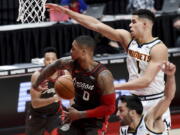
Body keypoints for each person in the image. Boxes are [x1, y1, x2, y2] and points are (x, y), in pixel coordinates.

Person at [45, 4, 170, 131]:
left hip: (155, 103)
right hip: (133, 102)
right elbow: (95, 25)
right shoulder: (127, 39)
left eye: (133, 22)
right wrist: (67, 12)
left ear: (145, 24)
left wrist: (112, 87)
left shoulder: (158, 48)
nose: (130, 25)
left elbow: (146, 81)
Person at [32, 35, 116, 135]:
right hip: (76, 115)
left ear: (83, 52)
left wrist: (80, 115)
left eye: (73, 48)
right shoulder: (71, 64)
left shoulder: (103, 75)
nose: (70, 51)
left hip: (95, 121)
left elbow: (110, 108)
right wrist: (37, 84)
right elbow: (53, 67)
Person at [117, 61, 176, 135]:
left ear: (132, 112)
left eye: (121, 110)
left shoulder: (150, 120)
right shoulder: (124, 129)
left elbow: (168, 97)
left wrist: (170, 76)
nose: (117, 114)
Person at [26, 47, 70, 135]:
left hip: (55, 114)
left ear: (57, 60)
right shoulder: (37, 76)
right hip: (37, 115)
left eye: (53, 59)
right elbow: (35, 104)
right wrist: (54, 99)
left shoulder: (65, 74)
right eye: (47, 59)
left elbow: (72, 95)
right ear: (44, 62)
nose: (50, 62)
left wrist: (71, 108)